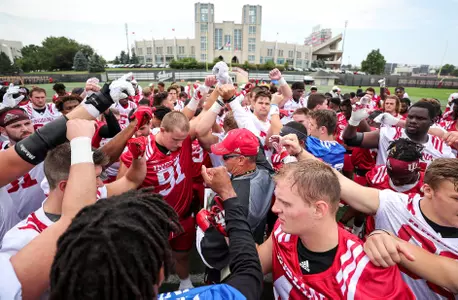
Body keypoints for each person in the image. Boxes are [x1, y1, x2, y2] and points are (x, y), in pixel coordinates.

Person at [284, 137, 458, 299]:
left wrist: (389, 240)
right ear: (428, 190)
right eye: (455, 198)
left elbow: (451, 277)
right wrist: (300, 152)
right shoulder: (395, 204)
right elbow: (336, 181)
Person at [256, 159, 415, 299]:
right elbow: (254, 265)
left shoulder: (367, 273)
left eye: (286, 203)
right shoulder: (283, 231)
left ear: (318, 209)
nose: (275, 209)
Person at [118, 110, 199, 290]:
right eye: (175, 140)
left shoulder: (183, 139)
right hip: (153, 221)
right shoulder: (140, 149)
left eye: (182, 140)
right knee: (153, 261)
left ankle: (185, 283)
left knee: (182, 255)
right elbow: (121, 186)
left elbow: (203, 120)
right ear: (161, 130)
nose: (179, 145)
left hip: (181, 217)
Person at [197, 128, 274, 283]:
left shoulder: (235, 201)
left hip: (231, 265)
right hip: (253, 247)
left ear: (241, 160)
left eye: (226, 156)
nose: (221, 159)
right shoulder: (265, 171)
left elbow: (212, 255)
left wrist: (203, 229)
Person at [343, 101, 454, 169]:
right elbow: (350, 139)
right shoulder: (388, 134)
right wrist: (354, 121)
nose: (413, 121)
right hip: (384, 192)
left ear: (432, 121)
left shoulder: (441, 148)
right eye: (410, 117)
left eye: (420, 118)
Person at [0, 108, 46, 224]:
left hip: (43, 219)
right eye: (16, 126)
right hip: (11, 224)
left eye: (27, 123)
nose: (25, 129)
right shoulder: (2, 156)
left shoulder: (47, 149)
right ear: (3, 131)